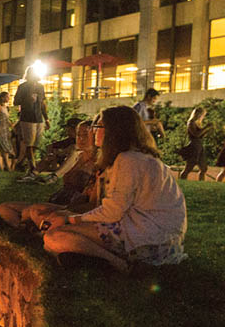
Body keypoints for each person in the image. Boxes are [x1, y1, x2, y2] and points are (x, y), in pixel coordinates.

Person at [40, 106, 186, 271]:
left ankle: (118, 264)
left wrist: (71, 219)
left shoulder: (128, 160)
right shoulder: (134, 157)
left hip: (149, 239)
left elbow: (112, 212)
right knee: (56, 239)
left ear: (114, 131)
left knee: (54, 237)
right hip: (154, 234)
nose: (93, 131)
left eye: (98, 127)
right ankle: (91, 258)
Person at [0, 119, 98, 230]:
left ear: (96, 136)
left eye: (85, 135)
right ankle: (28, 227)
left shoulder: (99, 162)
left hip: (72, 206)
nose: (80, 139)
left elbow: (92, 202)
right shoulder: (76, 155)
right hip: (59, 200)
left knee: (33, 211)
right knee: (5, 207)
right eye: (78, 135)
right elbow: (54, 152)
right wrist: (50, 160)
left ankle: (33, 227)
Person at [14, 66, 49, 178]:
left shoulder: (40, 87)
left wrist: (46, 118)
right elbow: (15, 101)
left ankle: (27, 165)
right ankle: (32, 167)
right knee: (29, 143)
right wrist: (26, 99)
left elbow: (43, 103)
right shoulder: (22, 87)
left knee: (36, 143)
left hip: (39, 118)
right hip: (27, 117)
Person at [177, 106, 212, 181]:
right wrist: (206, 128)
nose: (203, 117)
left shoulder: (198, 123)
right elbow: (196, 134)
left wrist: (207, 130)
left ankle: (201, 183)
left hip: (199, 146)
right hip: (194, 146)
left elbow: (200, 135)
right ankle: (182, 180)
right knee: (189, 167)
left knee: (203, 168)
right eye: (203, 115)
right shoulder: (191, 122)